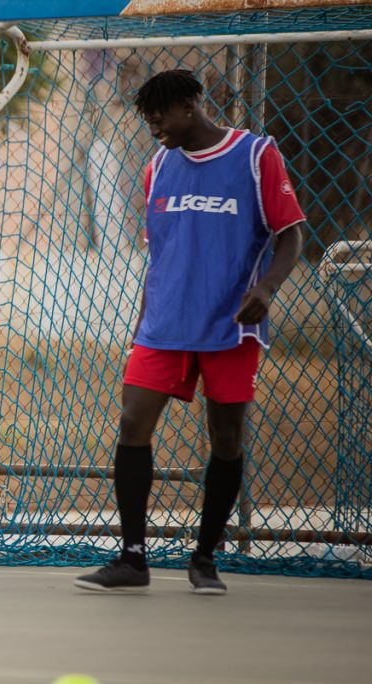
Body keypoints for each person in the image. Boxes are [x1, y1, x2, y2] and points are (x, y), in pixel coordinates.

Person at [74, 69, 304, 595]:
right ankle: (133, 558)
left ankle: (204, 558)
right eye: (147, 119)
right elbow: (162, 254)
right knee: (133, 423)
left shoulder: (255, 155)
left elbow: (291, 233)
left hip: (231, 325)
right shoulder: (158, 165)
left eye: (160, 116)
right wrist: (142, 320)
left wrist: (267, 288)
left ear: (190, 106)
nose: (154, 127)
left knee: (225, 437)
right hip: (164, 324)